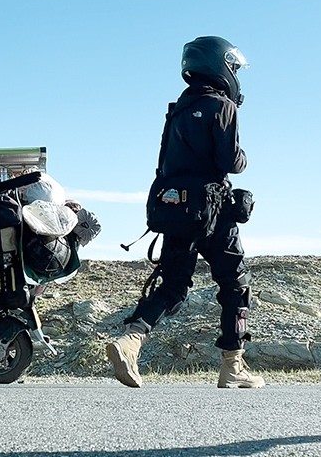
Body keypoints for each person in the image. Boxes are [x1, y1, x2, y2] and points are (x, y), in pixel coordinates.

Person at [105, 35, 264, 389]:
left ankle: (130, 340)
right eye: (234, 66)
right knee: (235, 283)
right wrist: (244, 159)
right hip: (213, 210)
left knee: (174, 286)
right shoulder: (222, 106)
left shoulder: (177, 107)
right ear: (220, 65)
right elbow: (229, 161)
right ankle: (232, 365)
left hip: (176, 208)